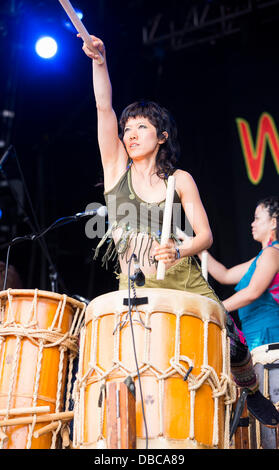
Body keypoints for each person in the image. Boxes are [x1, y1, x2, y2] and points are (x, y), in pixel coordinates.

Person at [79, 34, 279, 428]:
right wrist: (99, 62)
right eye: (127, 127)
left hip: (184, 277)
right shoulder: (116, 170)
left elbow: (204, 237)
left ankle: (250, 391)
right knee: (149, 360)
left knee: (230, 339)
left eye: (141, 126)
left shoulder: (180, 179)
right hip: (135, 283)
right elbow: (104, 106)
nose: (130, 133)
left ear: (162, 136)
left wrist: (178, 251)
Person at [198, 196, 279, 352]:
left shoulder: (271, 253)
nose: (252, 224)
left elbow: (252, 292)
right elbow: (225, 275)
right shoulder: (262, 257)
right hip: (256, 334)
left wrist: (214, 309)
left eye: (257, 218)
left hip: (268, 334)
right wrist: (198, 247)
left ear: (273, 223)